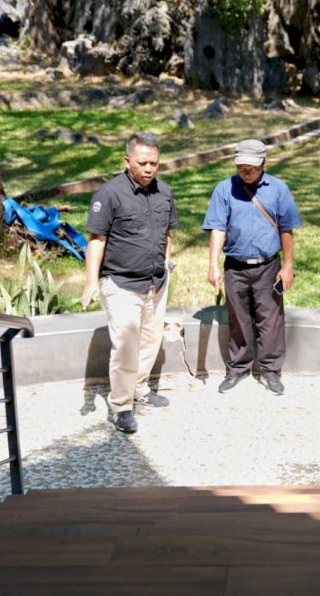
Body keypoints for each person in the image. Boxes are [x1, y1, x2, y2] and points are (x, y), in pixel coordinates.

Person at [82, 132, 178, 434]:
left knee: (150, 341)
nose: (149, 169)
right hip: (121, 283)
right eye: (143, 163)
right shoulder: (109, 194)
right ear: (127, 161)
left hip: (155, 282)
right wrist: (90, 281)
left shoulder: (165, 192)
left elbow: (167, 235)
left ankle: (139, 389)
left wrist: (166, 265)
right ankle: (121, 406)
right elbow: (97, 240)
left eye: (154, 163)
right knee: (125, 346)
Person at [203, 139, 302, 395]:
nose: (246, 172)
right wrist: (213, 264)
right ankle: (237, 368)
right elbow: (218, 228)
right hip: (235, 266)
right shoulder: (224, 190)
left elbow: (286, 229)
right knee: (238, 318)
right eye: (241, 168)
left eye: (252, 168)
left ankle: (271, 370)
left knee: (270, 319)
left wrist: (288, 266)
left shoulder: (278, 189)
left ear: (263, 164)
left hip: (268, 266)